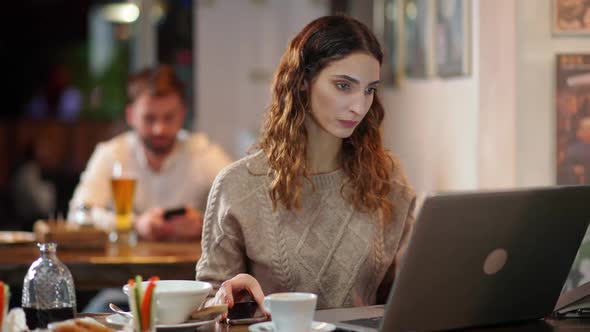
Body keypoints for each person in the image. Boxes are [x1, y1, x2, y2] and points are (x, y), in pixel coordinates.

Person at [196, 15, 416, 315]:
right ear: (301, 82)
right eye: (343, 85)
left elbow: (406, 294)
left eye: (369, 89)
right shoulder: (238, 184)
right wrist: (229, 295)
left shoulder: (387, 178)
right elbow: (207, 304)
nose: (359, 106)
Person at [69, 64, 231, 241]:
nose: (159, 129)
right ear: (131, 115)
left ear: (183, 114)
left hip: (192, 268)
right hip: (122, 267)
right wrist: (135, 224)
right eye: (149, 118)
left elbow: (244, 209)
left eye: (169, 117)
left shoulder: (204, 153)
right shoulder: (111, 154)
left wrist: (204, 223)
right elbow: (78, 213)